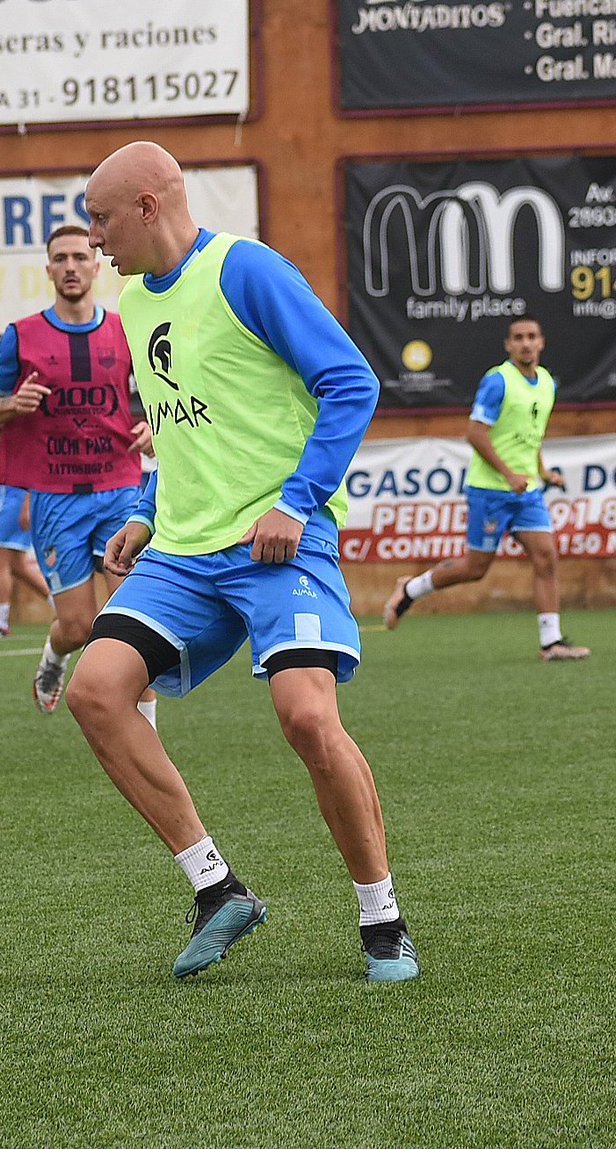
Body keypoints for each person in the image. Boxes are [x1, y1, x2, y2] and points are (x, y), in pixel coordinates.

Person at [63, 141, 418, 984]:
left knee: (305, 716)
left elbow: (351, 382)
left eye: (102, 220)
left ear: (149, 206)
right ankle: (217, 890)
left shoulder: (245, 271)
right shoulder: (131, 307)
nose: (95, 239)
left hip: (280, 544)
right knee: (94, 691)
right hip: (184, 553)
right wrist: (148, 514)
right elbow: (186, 430)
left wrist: (296, 502)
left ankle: (383, 920)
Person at [0, 224, 157, 723]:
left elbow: (166, 394)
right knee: (78, 626)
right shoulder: (22, 335)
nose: (71, 266)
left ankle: (149, 743)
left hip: (120, 488)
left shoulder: (126, 328)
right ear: (49, 269)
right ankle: (55, 657)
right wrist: (11, 403)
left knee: (135, 620)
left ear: (97, 265)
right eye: (61, 258)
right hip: (57, 496)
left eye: (81, 256)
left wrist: (152, 430)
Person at [383, 315, 590, 661]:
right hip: (490, 490)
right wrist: (508, 474)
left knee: (546, 556)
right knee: (475, 569)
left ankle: (551, 642)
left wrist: (542, 470)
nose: (526, 343)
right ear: (508, 345)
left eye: (532, 336)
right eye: (518, 337)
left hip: (527, 492)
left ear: (541, 343)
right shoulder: (498, 381)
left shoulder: (547, 384)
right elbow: (475, 433)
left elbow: (530, 433)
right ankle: (411, 588)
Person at [0, 484, 50, 638]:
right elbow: (4, 472)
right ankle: (62, 605)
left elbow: (32, 470)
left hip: (17, 502)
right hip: (14, 500)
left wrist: (27, 505)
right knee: (17, 566)